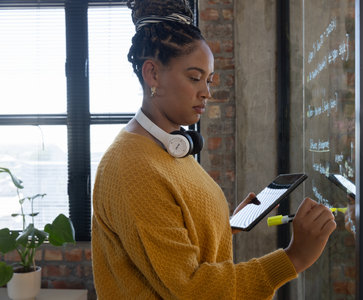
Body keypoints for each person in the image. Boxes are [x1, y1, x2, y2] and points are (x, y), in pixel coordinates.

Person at [91, 0, 337, 299]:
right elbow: (192, 288)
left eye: (208, 80)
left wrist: (226, 223)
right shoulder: (133, 167)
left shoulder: (169, 146)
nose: (206, 92)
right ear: (153, 74)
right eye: (195, 78)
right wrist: (294, 257)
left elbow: (173, 234)